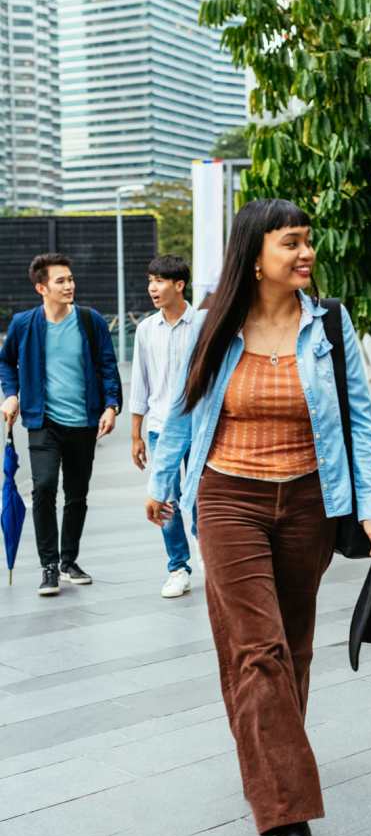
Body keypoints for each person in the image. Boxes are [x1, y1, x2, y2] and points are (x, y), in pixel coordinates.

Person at [145, 199, 371, 836]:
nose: (306, 253)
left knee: (292, 649)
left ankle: (267, 761)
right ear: (256, 256)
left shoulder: (331, 324)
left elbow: (361, 422)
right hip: (228, 498)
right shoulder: (213, 324)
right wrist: (162, 484)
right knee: (259, 652)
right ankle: (291, 820)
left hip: (312, 501)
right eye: (292, 243)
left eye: (309, 242)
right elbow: (179, 407)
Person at [0, 253, 122, 596]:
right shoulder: (25, 323)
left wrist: (111, 406)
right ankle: (49, 565)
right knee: (43, 487)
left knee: (77, 494)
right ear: (41, 288)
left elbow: (107, 366)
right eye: (60, 281)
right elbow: (6, 362)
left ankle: (69, 560)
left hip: (83, 422)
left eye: (70, 279)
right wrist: (11, 394)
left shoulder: (90, 320)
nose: (69, 285)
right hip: (43, 422)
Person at [130, 254, 200, 598]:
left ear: (179, 285)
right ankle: (178, 567)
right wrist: (136, 435)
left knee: (204, 496)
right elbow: (140, 383)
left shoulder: (203, 324)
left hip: (201, 427)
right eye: (150, 281)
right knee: (166, 499)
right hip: (159, 428)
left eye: (159, 281)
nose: (152, 288)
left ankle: (213, 557)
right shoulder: (145, 330)